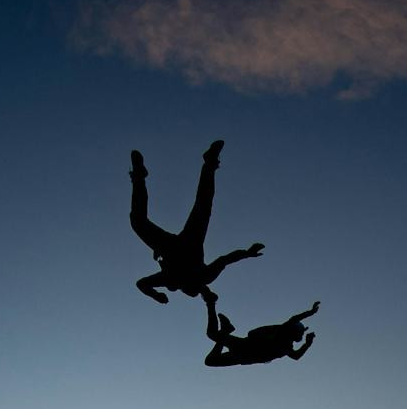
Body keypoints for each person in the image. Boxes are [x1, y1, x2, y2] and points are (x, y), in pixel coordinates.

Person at [129, 140, 265, 306]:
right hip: (186, 244)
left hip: (172, 247)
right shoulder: (192, 278)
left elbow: (225, 260)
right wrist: (247, 253)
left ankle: (140, 177)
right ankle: (208, 164)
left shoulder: (175, 279)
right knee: (202, 205)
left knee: (141, 221)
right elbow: (225, 260)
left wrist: (156, 295)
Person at [204, 300, 318, 368]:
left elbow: (296, 356)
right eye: (301, 333)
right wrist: (310, 312)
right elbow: (293, 320)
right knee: (211, 354)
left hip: (245, 352)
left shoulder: (287, 347)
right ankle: (212, 305)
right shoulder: (282, 334)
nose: (301, 336)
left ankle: (213, 307)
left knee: (212, 341)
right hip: (246, 350)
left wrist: (308, 343)